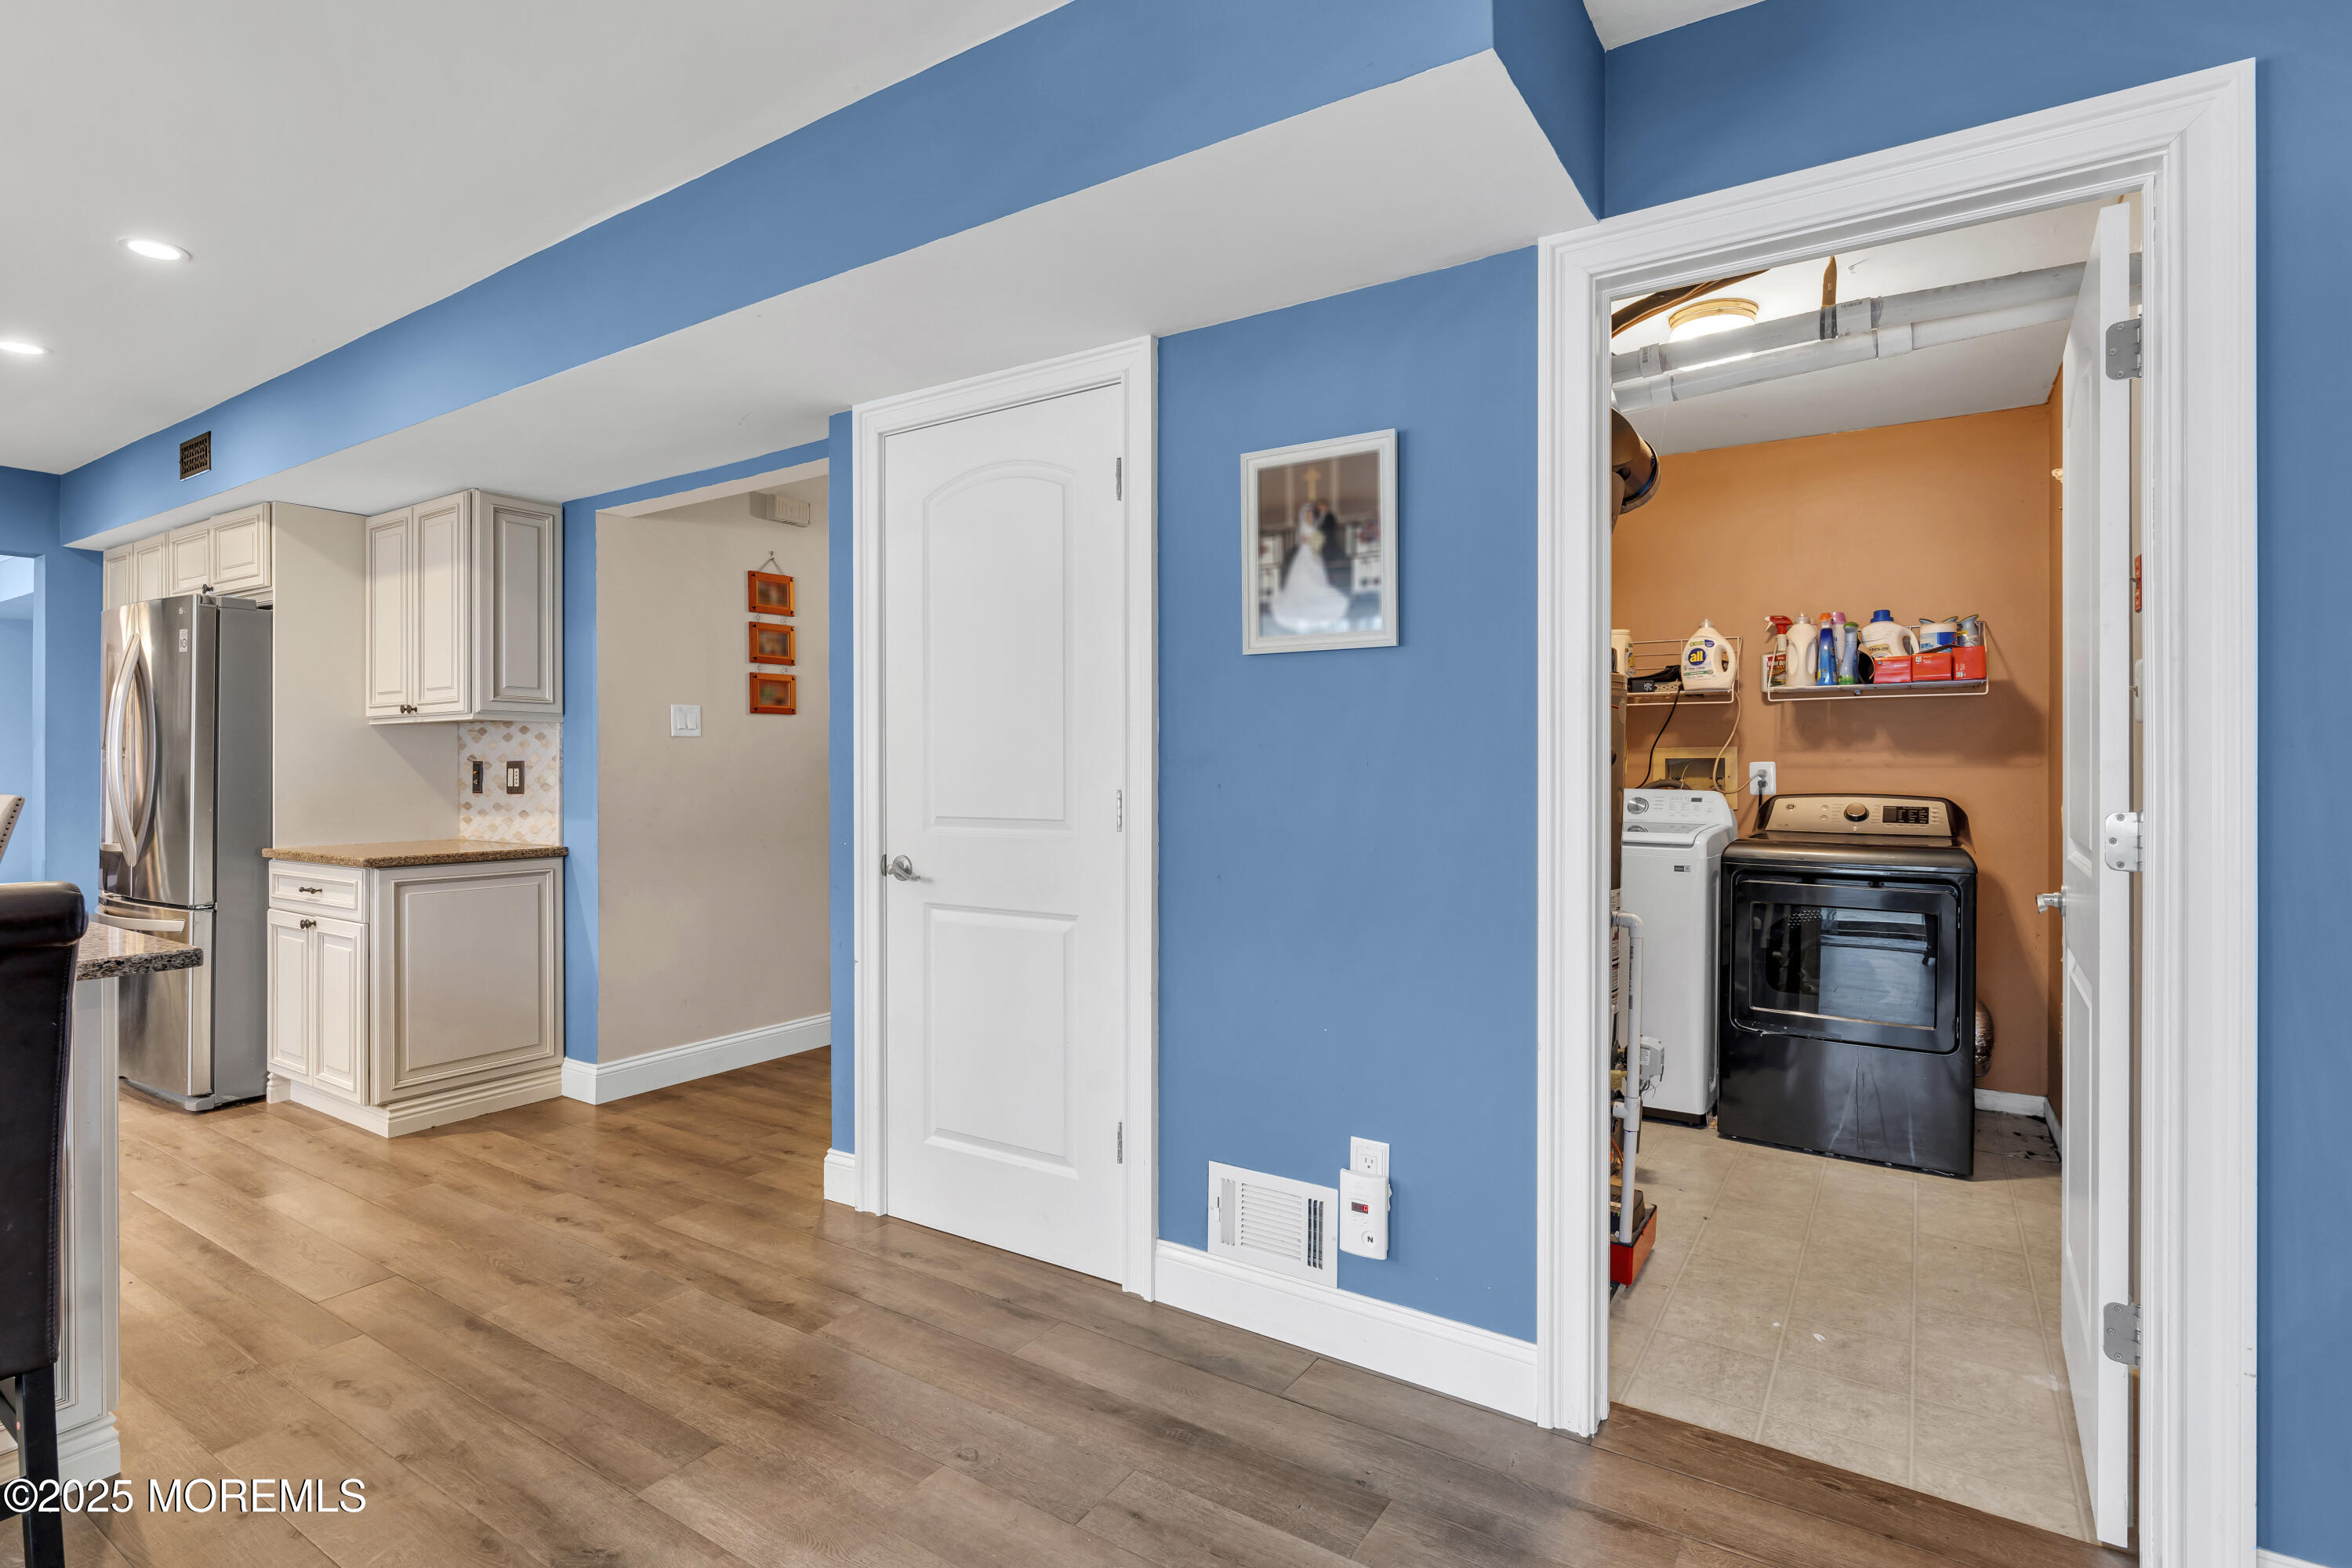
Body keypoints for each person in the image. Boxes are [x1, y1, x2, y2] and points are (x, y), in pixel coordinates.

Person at [1269, 501, 1352, 633]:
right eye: (1307, 515)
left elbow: (1317, 541)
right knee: (1303, 573)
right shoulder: (1305, 527)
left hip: (1315, 554)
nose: (1309, 517)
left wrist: (1317, 540)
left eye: (1311, 515)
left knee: (1317, 573)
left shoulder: (1315, 526)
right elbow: (1305, 540)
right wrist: (1314, 540)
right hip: (1305, 553)